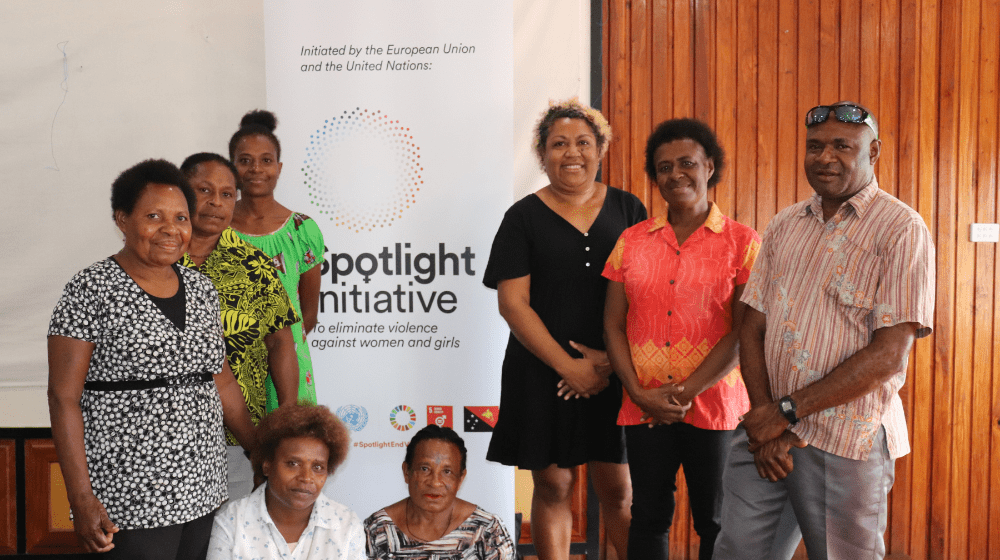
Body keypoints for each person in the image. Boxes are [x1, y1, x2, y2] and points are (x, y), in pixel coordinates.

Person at [712, 102, 935, 559]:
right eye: (815, 146)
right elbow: (752, 326)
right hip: (765, 436)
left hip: (846, 439)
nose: (825, 157)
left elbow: (889, 355)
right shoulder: (784, 225)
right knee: (738, 551)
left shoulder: (901, 229)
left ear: (874, 151)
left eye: (842, 146)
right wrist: (767, 419)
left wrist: (787, 411)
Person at [47, 159, 256, 558]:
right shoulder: (90, 289)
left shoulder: (201, 288)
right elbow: (63, 398)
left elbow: (221, 379)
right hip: (131, 495)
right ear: (122, 219)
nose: (170, 229)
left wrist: (257, 448)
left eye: (181, 218)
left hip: (204, 486)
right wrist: (81, 498)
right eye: (154, 216)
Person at [483, 98, 644, 560]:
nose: (571, 153)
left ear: (600, 149)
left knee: (618, 488)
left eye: (583, 142)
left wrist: (608, 364)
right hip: (541, 370)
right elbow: (513, 305)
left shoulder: (629, 208)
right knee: (553, 484)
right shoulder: (522, 218)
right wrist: (569, 367)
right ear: (542, 154)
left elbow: (648, 296)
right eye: (558, 144)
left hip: (619, 369)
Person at [602, 118, 761, 560]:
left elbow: (743, 331)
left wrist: (684, 393)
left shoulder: (742, 243)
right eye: (664, 167)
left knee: (716, 519)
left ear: (709, 166)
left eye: (687, 163)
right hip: (644, 403)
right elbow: (613, 324)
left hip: (714, 406)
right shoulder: (631, 241)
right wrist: (638, 392)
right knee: (648, 514)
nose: (675, 175)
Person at [178, 152, 301, 500]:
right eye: (204, 190)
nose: (216, 202)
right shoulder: (158, 259)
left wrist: (285, 424)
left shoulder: (254, 265)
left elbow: (281, 343)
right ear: (181, 193)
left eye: (228, 194)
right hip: (166, 434)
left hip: (240, 439)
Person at [229, 110, 325, 410]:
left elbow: (308, 313)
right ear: (231, 168)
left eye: (266, 160)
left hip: (287, 366)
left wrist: (281, 348)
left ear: (279, 167)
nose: (256, 169)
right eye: (245, 160)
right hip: (229, 370)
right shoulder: (213, 230)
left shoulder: (302, 230)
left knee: (288, 448)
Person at [208, 403, 363, 559]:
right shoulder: (231, 523)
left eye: (317, 467)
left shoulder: (347, 526)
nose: (306, 477)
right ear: (267, 465)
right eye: (293, 464)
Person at [364, 425, 515, 560]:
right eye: (425, 469)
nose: (435, 482)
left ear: (460, 478)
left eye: (447, 471)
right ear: (406, 472)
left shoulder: (487, 530)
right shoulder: (377, 529)